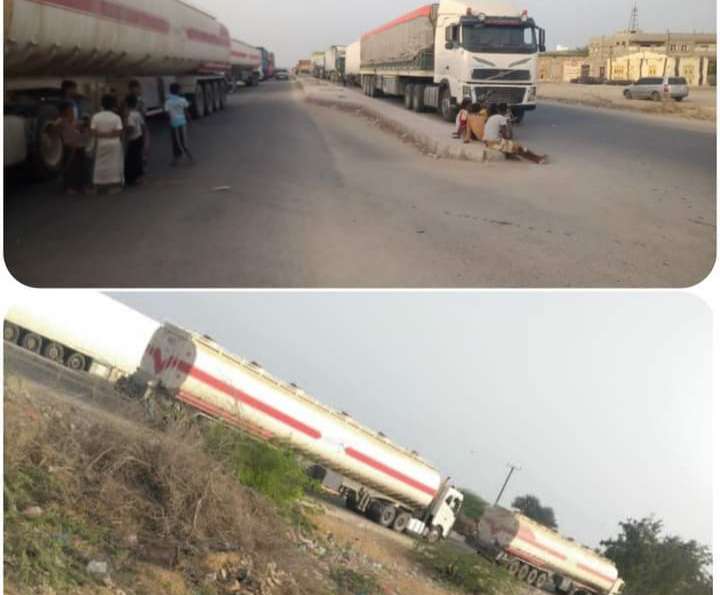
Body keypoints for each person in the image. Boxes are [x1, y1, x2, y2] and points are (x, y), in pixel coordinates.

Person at [90, 94, 125, 191]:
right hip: (114, 143)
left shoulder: (96, 117)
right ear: (114, 104)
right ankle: (114, 184)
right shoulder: (116, 117)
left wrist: (102, 135)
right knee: (114, 163)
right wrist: (110, 134)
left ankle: (99, 182)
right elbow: (118, 132)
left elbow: (93, 131)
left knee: (99, 163)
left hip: (101, 143)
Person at [56, 101, 90, 194]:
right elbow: (57, 134)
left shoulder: (76, 121)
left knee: (82, 167)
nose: (72, 111)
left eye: (72, 109)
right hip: (68, 147)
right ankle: (70, 187)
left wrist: (84, 127)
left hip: (79, 146)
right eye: (69, 109)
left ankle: (82, 186)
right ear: (64, 111)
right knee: (70, 168)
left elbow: (83, 131)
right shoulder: (60, 121)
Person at [164, 83, 193, 166]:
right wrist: (190, 120)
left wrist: (170, 119)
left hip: (173, 124)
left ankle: (176, 160)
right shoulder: (182, 100)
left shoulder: (168, 101)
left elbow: (166, 113)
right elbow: (186, 111)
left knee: (175, 142)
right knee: (183, 141)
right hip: (182, 123)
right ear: (178, 91)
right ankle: (190, 158)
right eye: (180, 89)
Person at [124, 95, 146, 185]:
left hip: (133, 138)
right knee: (137, 157)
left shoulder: (129, 115)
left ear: (127, 104)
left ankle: (132, 178)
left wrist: (125, 132)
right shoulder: (137, 113)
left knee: (131, 159)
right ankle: (139, 177)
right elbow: (142, 125)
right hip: (139, 137)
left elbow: (131, 128)